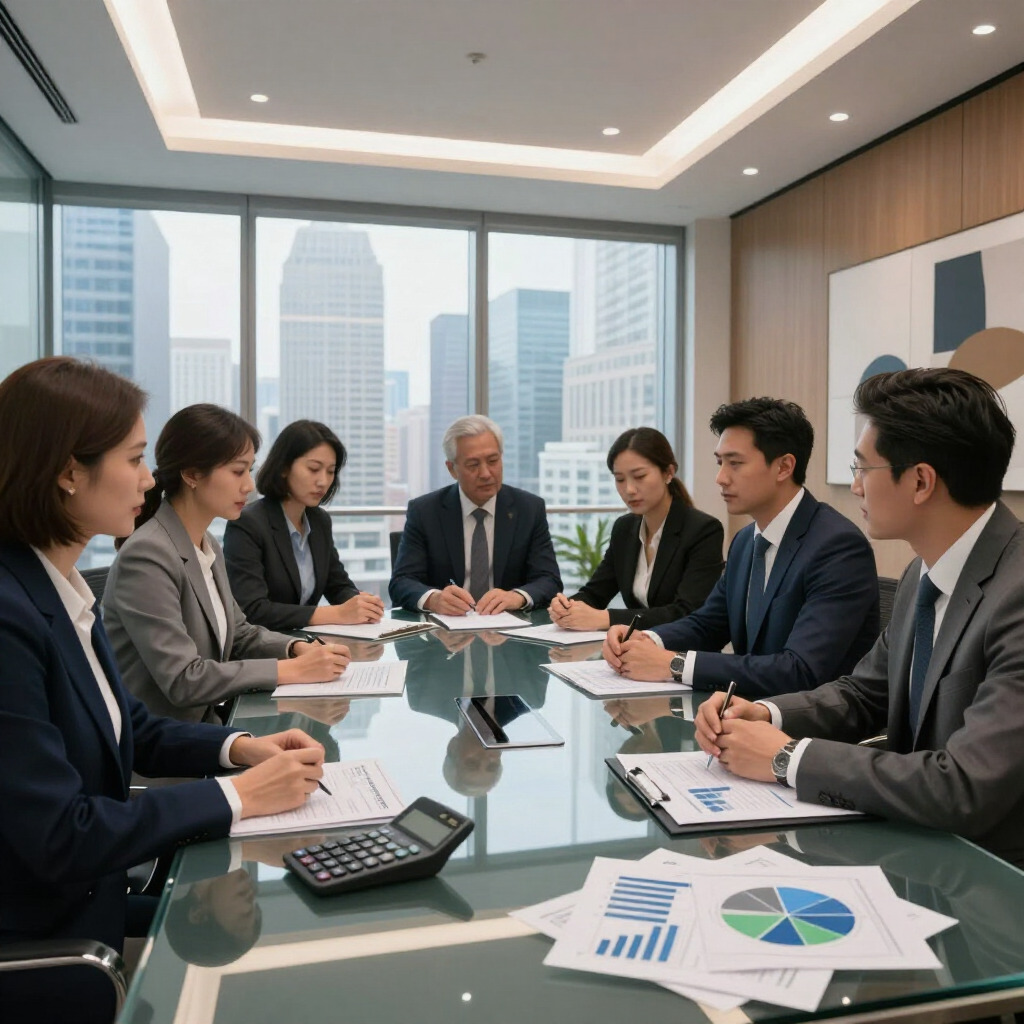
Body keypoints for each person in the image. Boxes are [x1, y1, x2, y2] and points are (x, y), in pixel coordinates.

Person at [0, 358, 326, 1024]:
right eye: (134, 458)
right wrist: (237, 795)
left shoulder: (57, 589)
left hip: (93, 892)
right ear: (68, 471)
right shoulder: (9, 616)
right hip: (57, 936)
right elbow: (61, 835)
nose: (148, 479)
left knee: (297, 930)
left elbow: (133, 725)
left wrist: (240, 748)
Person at [694, 368, 1024, 867]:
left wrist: (786, 758)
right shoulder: (923, 571)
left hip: (993, 886)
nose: (854, 487)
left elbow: (965, 787)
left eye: (862, 469)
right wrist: (766, 714)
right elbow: (865, 691)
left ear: (919, 481)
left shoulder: (1016, 592)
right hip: (921, 850)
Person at [603, 398, 879, 698]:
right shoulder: (747, 541)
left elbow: (799, 670)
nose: (720, 478)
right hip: (743, 717)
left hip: (809, 732)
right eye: (720, 462)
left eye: (735, 463)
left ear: (784, 467)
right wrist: (646, 639)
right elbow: (709, 624)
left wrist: (674, 664)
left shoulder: (837, 547)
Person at [104, 404, 350, 727]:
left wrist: (295, 648)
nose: (249, 485)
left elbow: (240, 636)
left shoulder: (207, 544)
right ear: (192, 474)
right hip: (161, 756)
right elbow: (184, 679)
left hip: (209, 730)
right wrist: (290, 671)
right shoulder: (148, 554)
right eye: (238, 471)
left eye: (249, 470)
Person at [549, 427, 723, 631]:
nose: (629, 490)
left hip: (682, 654)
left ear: (668, 473)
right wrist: (567, 607)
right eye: (620, 479)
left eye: (639, 476)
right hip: (633, 651)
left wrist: (607, 618)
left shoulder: (703, 530)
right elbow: (595, 593)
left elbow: (686, 612)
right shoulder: (625, 528)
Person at [388, 414, 561, 614]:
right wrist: (434, 599)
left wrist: (516, 596)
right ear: (452, 469)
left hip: (508, 630)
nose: (486, 473)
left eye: (493, 461)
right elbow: (401, 583)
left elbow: (550, 580)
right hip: (446, 635)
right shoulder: (425, 512)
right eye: (473, 465)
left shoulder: (529, 509)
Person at [223, 419, 384, 631]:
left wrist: (361, 604)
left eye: (330, 471)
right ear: (283, 468)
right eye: (314, 469)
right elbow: (252, 610)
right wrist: (335, 613)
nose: (323, 481)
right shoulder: (249, 524)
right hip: (265, 652)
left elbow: (338, 585)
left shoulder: (319, 521)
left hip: (307, 643)